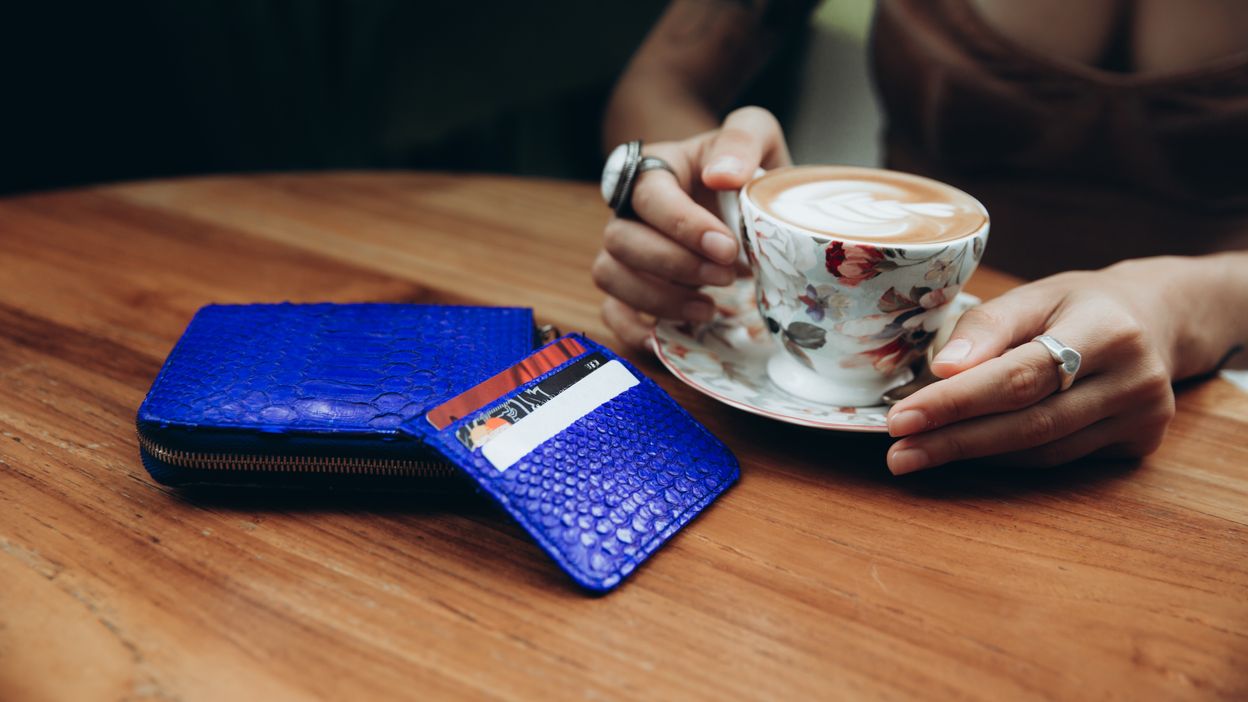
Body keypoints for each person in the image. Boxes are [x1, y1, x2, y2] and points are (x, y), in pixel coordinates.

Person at [592, 0, 1248, 474]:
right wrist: (689, 195)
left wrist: (1180, 305)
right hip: (805, 454)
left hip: (1201, 413)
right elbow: (663, 81)